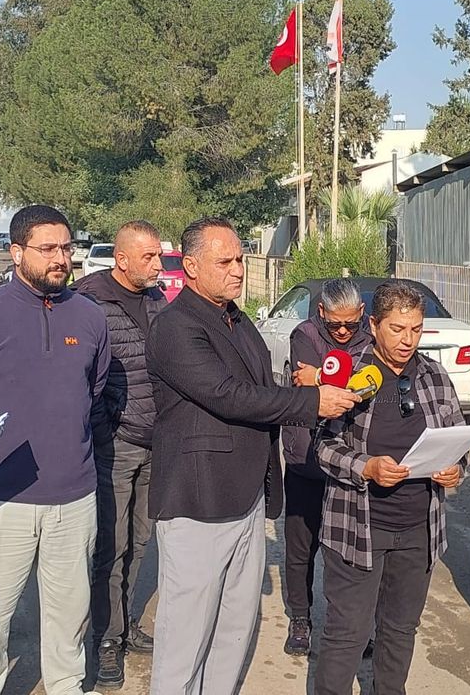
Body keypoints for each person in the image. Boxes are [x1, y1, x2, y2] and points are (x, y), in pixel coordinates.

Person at [146, 217, 359, 695]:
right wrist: (311, 401)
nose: (238, 269)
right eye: (225, 261)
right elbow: (227, 395)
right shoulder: (175, 326)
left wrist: (304, 386)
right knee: (186, 639)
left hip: (246, 497)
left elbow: (260, 387)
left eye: (240, 259)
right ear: (191, 266)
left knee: (233, 629)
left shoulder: (237, 319)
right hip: (198, 499)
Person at [0, 205, 109, 695]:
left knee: (70, 612)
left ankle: (66, 685)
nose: (61, 258)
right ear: (16, 252)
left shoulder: (90, 317)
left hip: (74, 494)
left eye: (66, 247)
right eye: (47, 248)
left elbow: (93, 390)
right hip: (0, 494)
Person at [311, 279, 467, 695]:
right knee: (348, 633)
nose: (407, 340)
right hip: (357, 529)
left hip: (418, 530)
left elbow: (457, 439)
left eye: (415, 329)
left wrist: (455, 470)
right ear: (374, 325)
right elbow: (322, 447)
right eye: (397, 329)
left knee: (400, 629)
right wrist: (366, 467)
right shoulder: (349, 375)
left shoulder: (434, 376)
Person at [73, 220, 166, 688]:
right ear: (122, 259)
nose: (158, 264)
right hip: (116, 444)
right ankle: (106, 639)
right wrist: (104, 427)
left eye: (159, 255)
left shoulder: (156, 298)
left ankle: (126, 625)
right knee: (111, 546)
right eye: (149, 256)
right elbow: (79, 376)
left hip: (155, 442)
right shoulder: (89, 302)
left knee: (141, 539)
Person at [281, 278, 372, 656]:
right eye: (335, 324)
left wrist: (320, 376)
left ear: (362, 313)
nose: (344, 331)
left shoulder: (370, 339)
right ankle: (300, 618)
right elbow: (312, 394)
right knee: (301, 547)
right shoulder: (305, 335)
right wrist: (328, 385)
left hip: (351, 461)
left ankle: (350, 626)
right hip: (306, 456)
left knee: (348, 553)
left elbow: (368, 386)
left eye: (351, 323)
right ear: (321, 311)